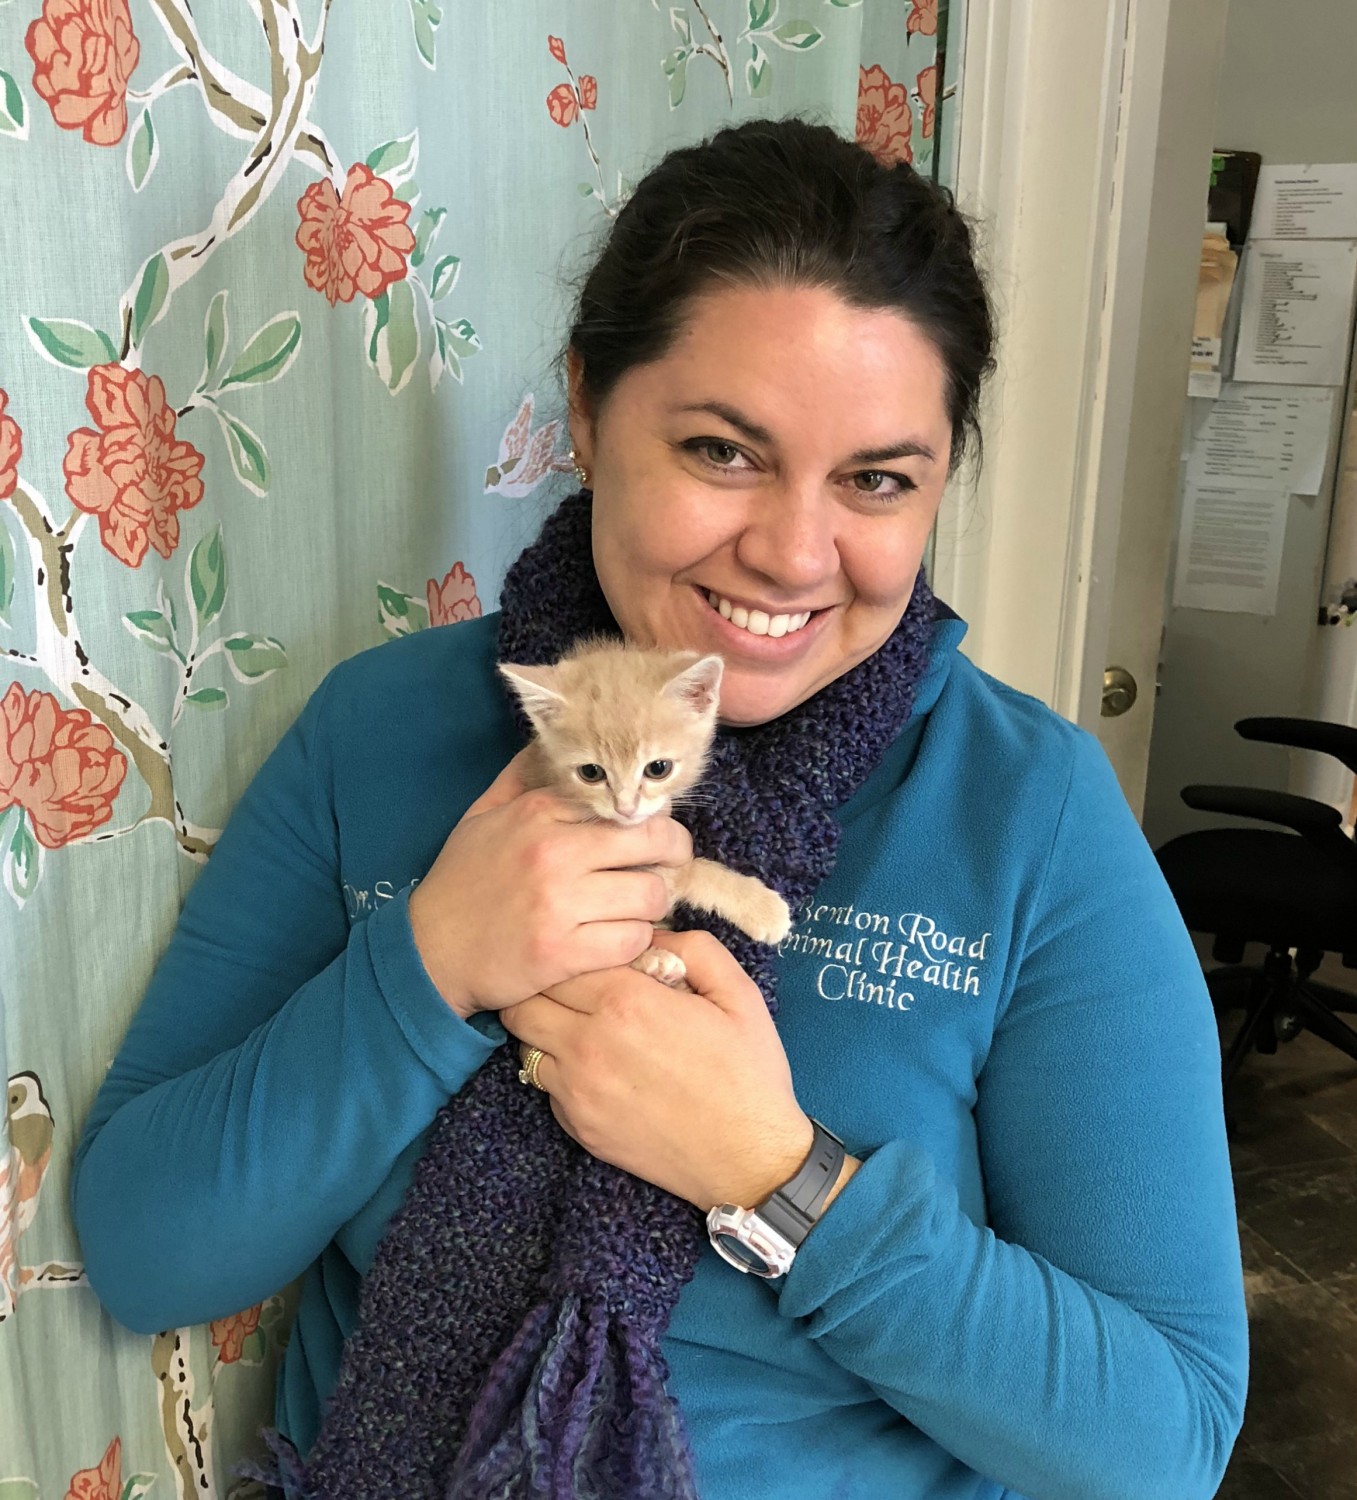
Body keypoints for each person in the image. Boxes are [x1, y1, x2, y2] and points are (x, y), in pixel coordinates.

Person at [72, 118, 1248, 1500]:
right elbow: (148, 1248)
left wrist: (776, 1174)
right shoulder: (385, 730)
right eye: (721, 450)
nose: (794, 553)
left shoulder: (1025, 814)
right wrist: (432, 961)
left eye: (875, 479)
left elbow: (1164, 1439)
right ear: (585, 408)